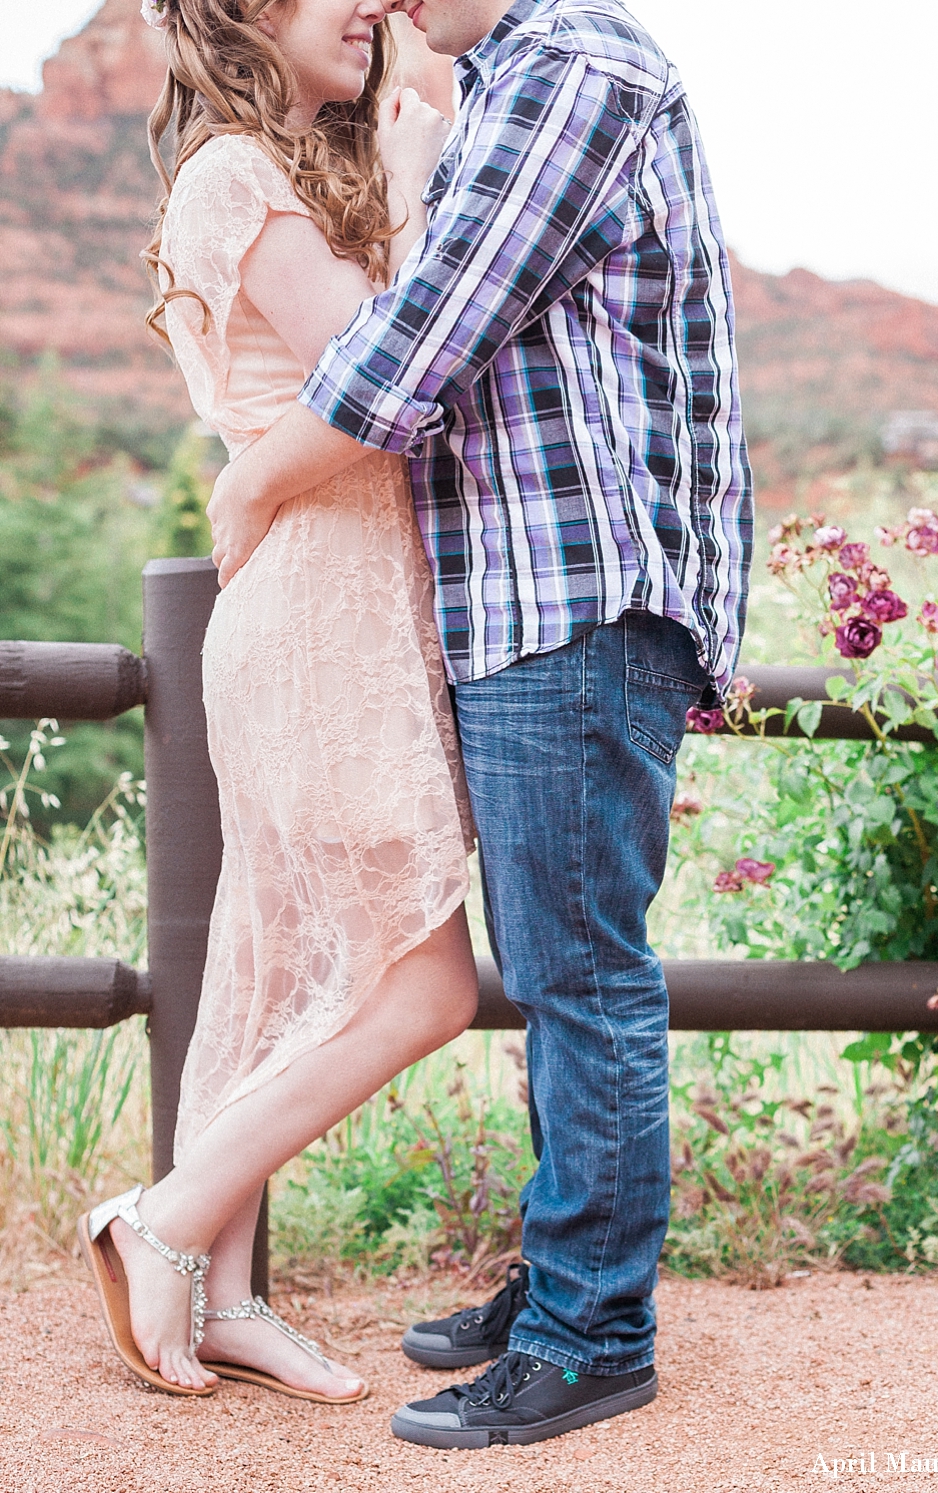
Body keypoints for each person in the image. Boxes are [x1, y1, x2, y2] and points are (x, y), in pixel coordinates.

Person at [206, 0, 753, 1450]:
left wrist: (253, 484)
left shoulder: (573, 70)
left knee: (581, 980)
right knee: (560, 968)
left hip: (574, 597)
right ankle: (566, 1279)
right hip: (536, 602)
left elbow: (411, 355)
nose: (380, 2)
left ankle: (592, 1334)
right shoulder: (514, 76)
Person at [79, 0, 479, 1403]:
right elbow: (383, 371)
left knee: (263, 954)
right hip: (317, 600)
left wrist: (408, 141)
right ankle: (168, 1220)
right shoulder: (231, 172)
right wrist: (426, 192)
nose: (375, 3)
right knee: (428, 983)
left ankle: (223, 1289)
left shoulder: (302, 165)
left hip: (346, 592)